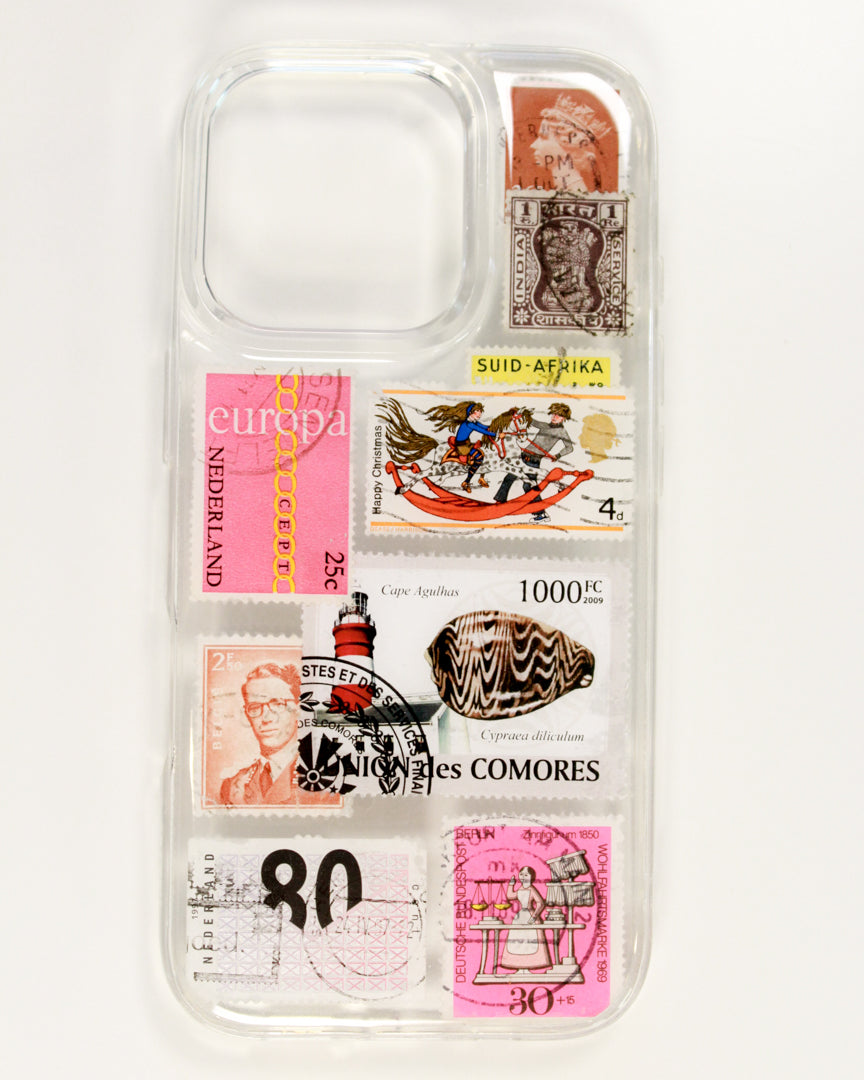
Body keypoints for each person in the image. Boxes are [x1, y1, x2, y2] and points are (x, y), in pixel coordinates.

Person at [219, 663, 335, 806]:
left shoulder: (328, 779)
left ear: (299, 709)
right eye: (255, 707)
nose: (266, 718)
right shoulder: (232, 787)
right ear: (247, 715)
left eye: (278, 704)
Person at [493, 402, 575, 522]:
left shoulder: (561, 432)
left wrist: (557, 455)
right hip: (524, 456)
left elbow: (569, 448)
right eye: (554, 414)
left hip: (534, 460)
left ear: (564, 418)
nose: (554, 417)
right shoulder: (545, 426)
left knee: (529, 486)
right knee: (509, 478)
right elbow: (532, 421)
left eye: (558, 415)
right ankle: (500, 503)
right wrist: (520, 412)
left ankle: (541, 514)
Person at [499, 867, 552, 973]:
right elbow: (510, 896)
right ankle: (520, 967)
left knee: (531, 942)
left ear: (532, 877)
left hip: (530, 916)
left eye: (526, 875)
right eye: (521, 874)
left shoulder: (531, 889)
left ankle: (529, 967)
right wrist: (511, 885)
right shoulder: (520, 889)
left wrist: (534, 916)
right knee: (517, 942)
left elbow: (540, 903)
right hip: (520, 917)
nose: (523, 877)